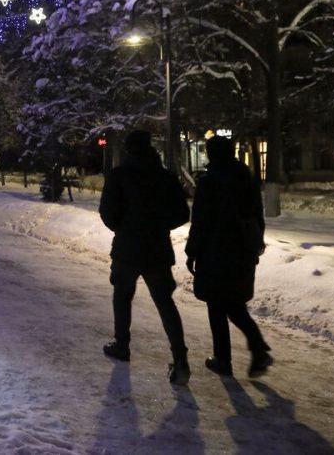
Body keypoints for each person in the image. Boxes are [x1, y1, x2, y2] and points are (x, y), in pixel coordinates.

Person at [98, 130, 191, 385]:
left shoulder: (119, 176)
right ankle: (180, 358)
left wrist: (124, 226)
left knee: (122, 297)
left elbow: (107, 211)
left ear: (129, 149)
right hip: (157, 249)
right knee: (165, 303)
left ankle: (122, 344)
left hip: (127, 248)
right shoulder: (164, 177)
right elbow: (183, 213)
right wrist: (159, 226)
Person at [186, 135, 272, 378]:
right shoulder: (246, 179)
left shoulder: (209, 182)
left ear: (212, 155)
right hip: (243, 250)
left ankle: (225, 358)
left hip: (215, 251)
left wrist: (192, 251)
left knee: (218, 304)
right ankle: (256, 349)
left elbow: (200, 222)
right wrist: (255, 246)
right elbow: (258, 216)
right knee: (233, 302)